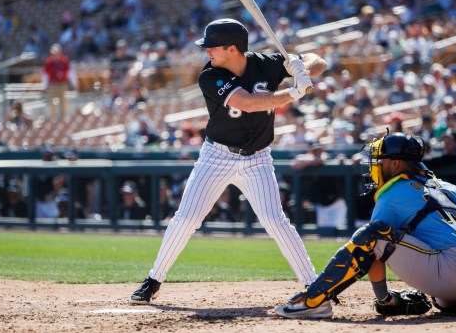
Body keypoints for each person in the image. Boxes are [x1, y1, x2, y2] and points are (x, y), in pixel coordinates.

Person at [130, 18, 326, 304]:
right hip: (217, 156)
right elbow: (248, 102)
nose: (207, 51)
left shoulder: (265, 64)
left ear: (232, 48)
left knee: (275, 221)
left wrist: (302, 67)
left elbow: (319, 61)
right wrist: (293, 92)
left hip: (258, 158)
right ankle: (153, 279)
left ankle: (314, 284)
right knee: (186, 219)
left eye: (212, 47)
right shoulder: (209, 76)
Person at [274, 132, 456, 319]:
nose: (376, 165)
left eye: (380, 159)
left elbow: (370, 248)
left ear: (395, 163)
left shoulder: (392, 191)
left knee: (373, 235)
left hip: (448, 274)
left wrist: (384, 298)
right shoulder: (443, 185)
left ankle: (315, 300)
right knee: (442, 301)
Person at [42, 43, 78, 119]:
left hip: (62, 84)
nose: (55, 55)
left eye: (57, 53)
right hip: (52, 84)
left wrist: (75, 83)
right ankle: (52, 118)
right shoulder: (49, 62)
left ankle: (63, 117)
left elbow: (70, 72)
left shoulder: (64, 61)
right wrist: (44, 85)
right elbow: (45, 75)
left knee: (63, 101)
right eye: (54, 53)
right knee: (52, 102)